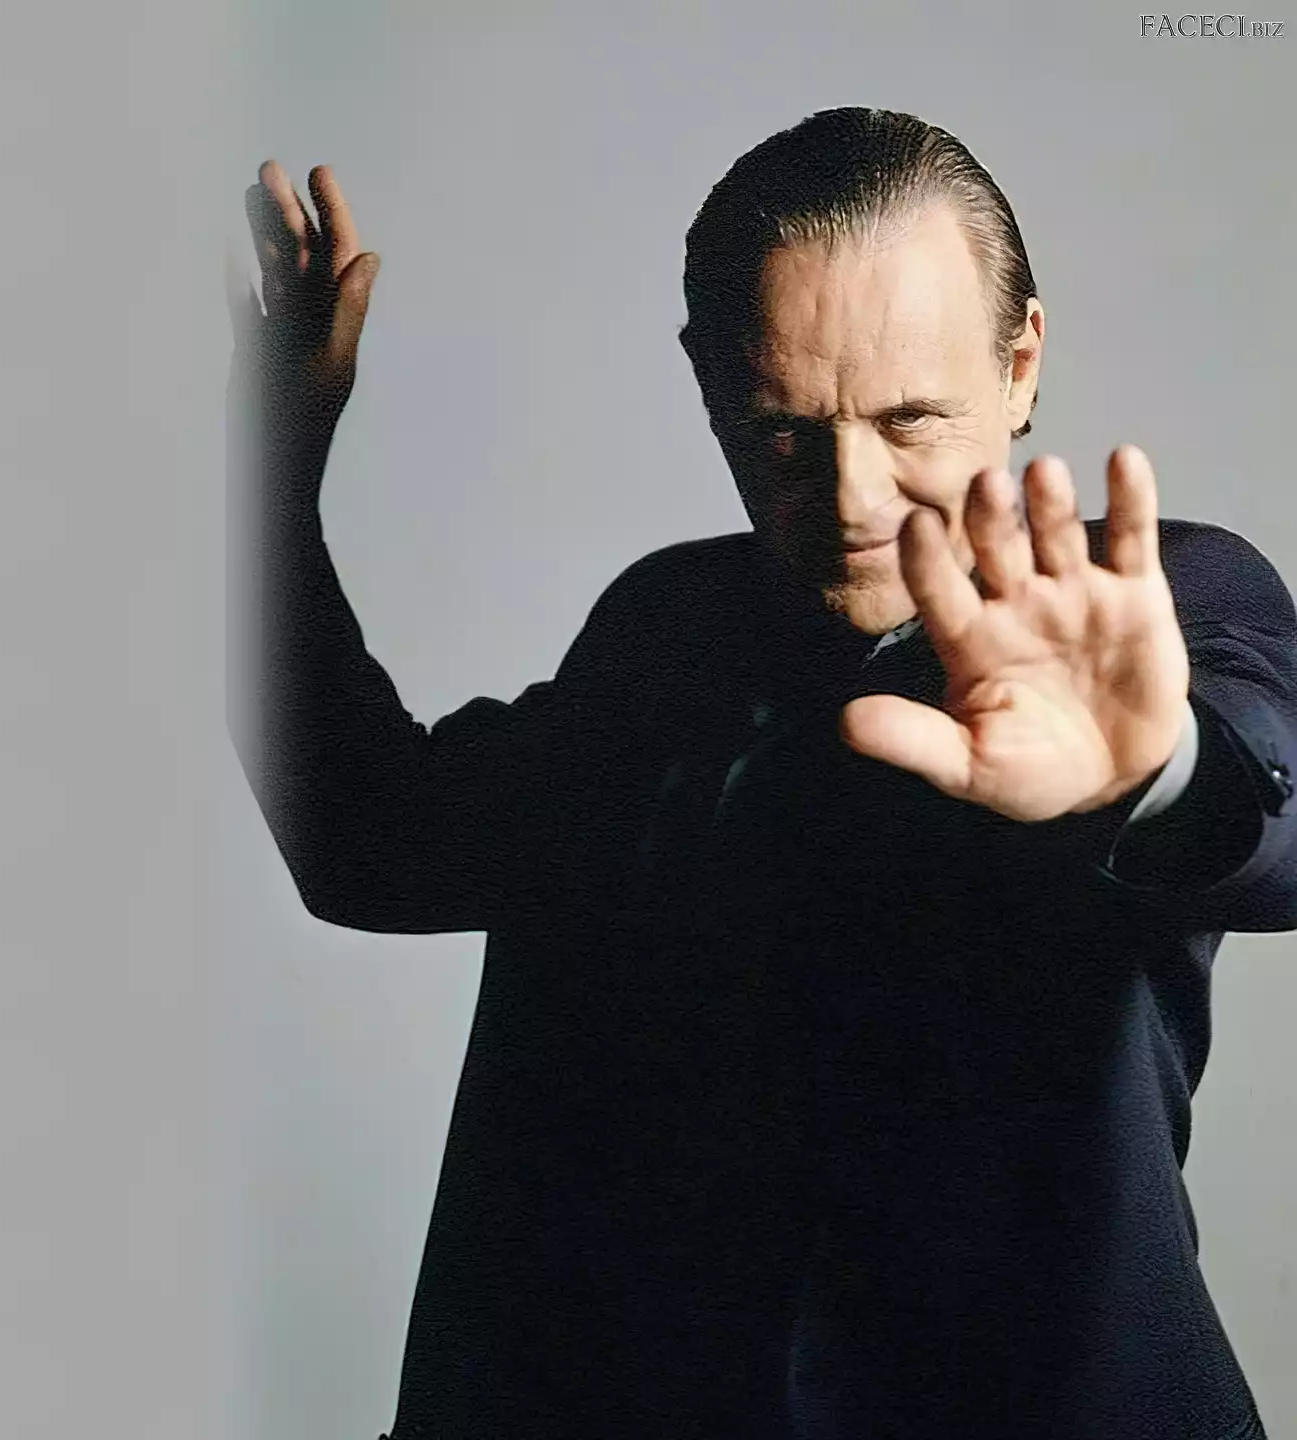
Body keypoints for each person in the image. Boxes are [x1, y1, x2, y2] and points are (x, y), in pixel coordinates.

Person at [224, 107, 1295, 1440]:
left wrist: (1160, 770)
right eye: (785, 430)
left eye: (913, 420)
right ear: (707, 379)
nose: (852, 497)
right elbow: (373, 844)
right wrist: (259, 484)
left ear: (1020, 365)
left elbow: (1273, 796)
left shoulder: (1172, 599)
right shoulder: (660, 628)